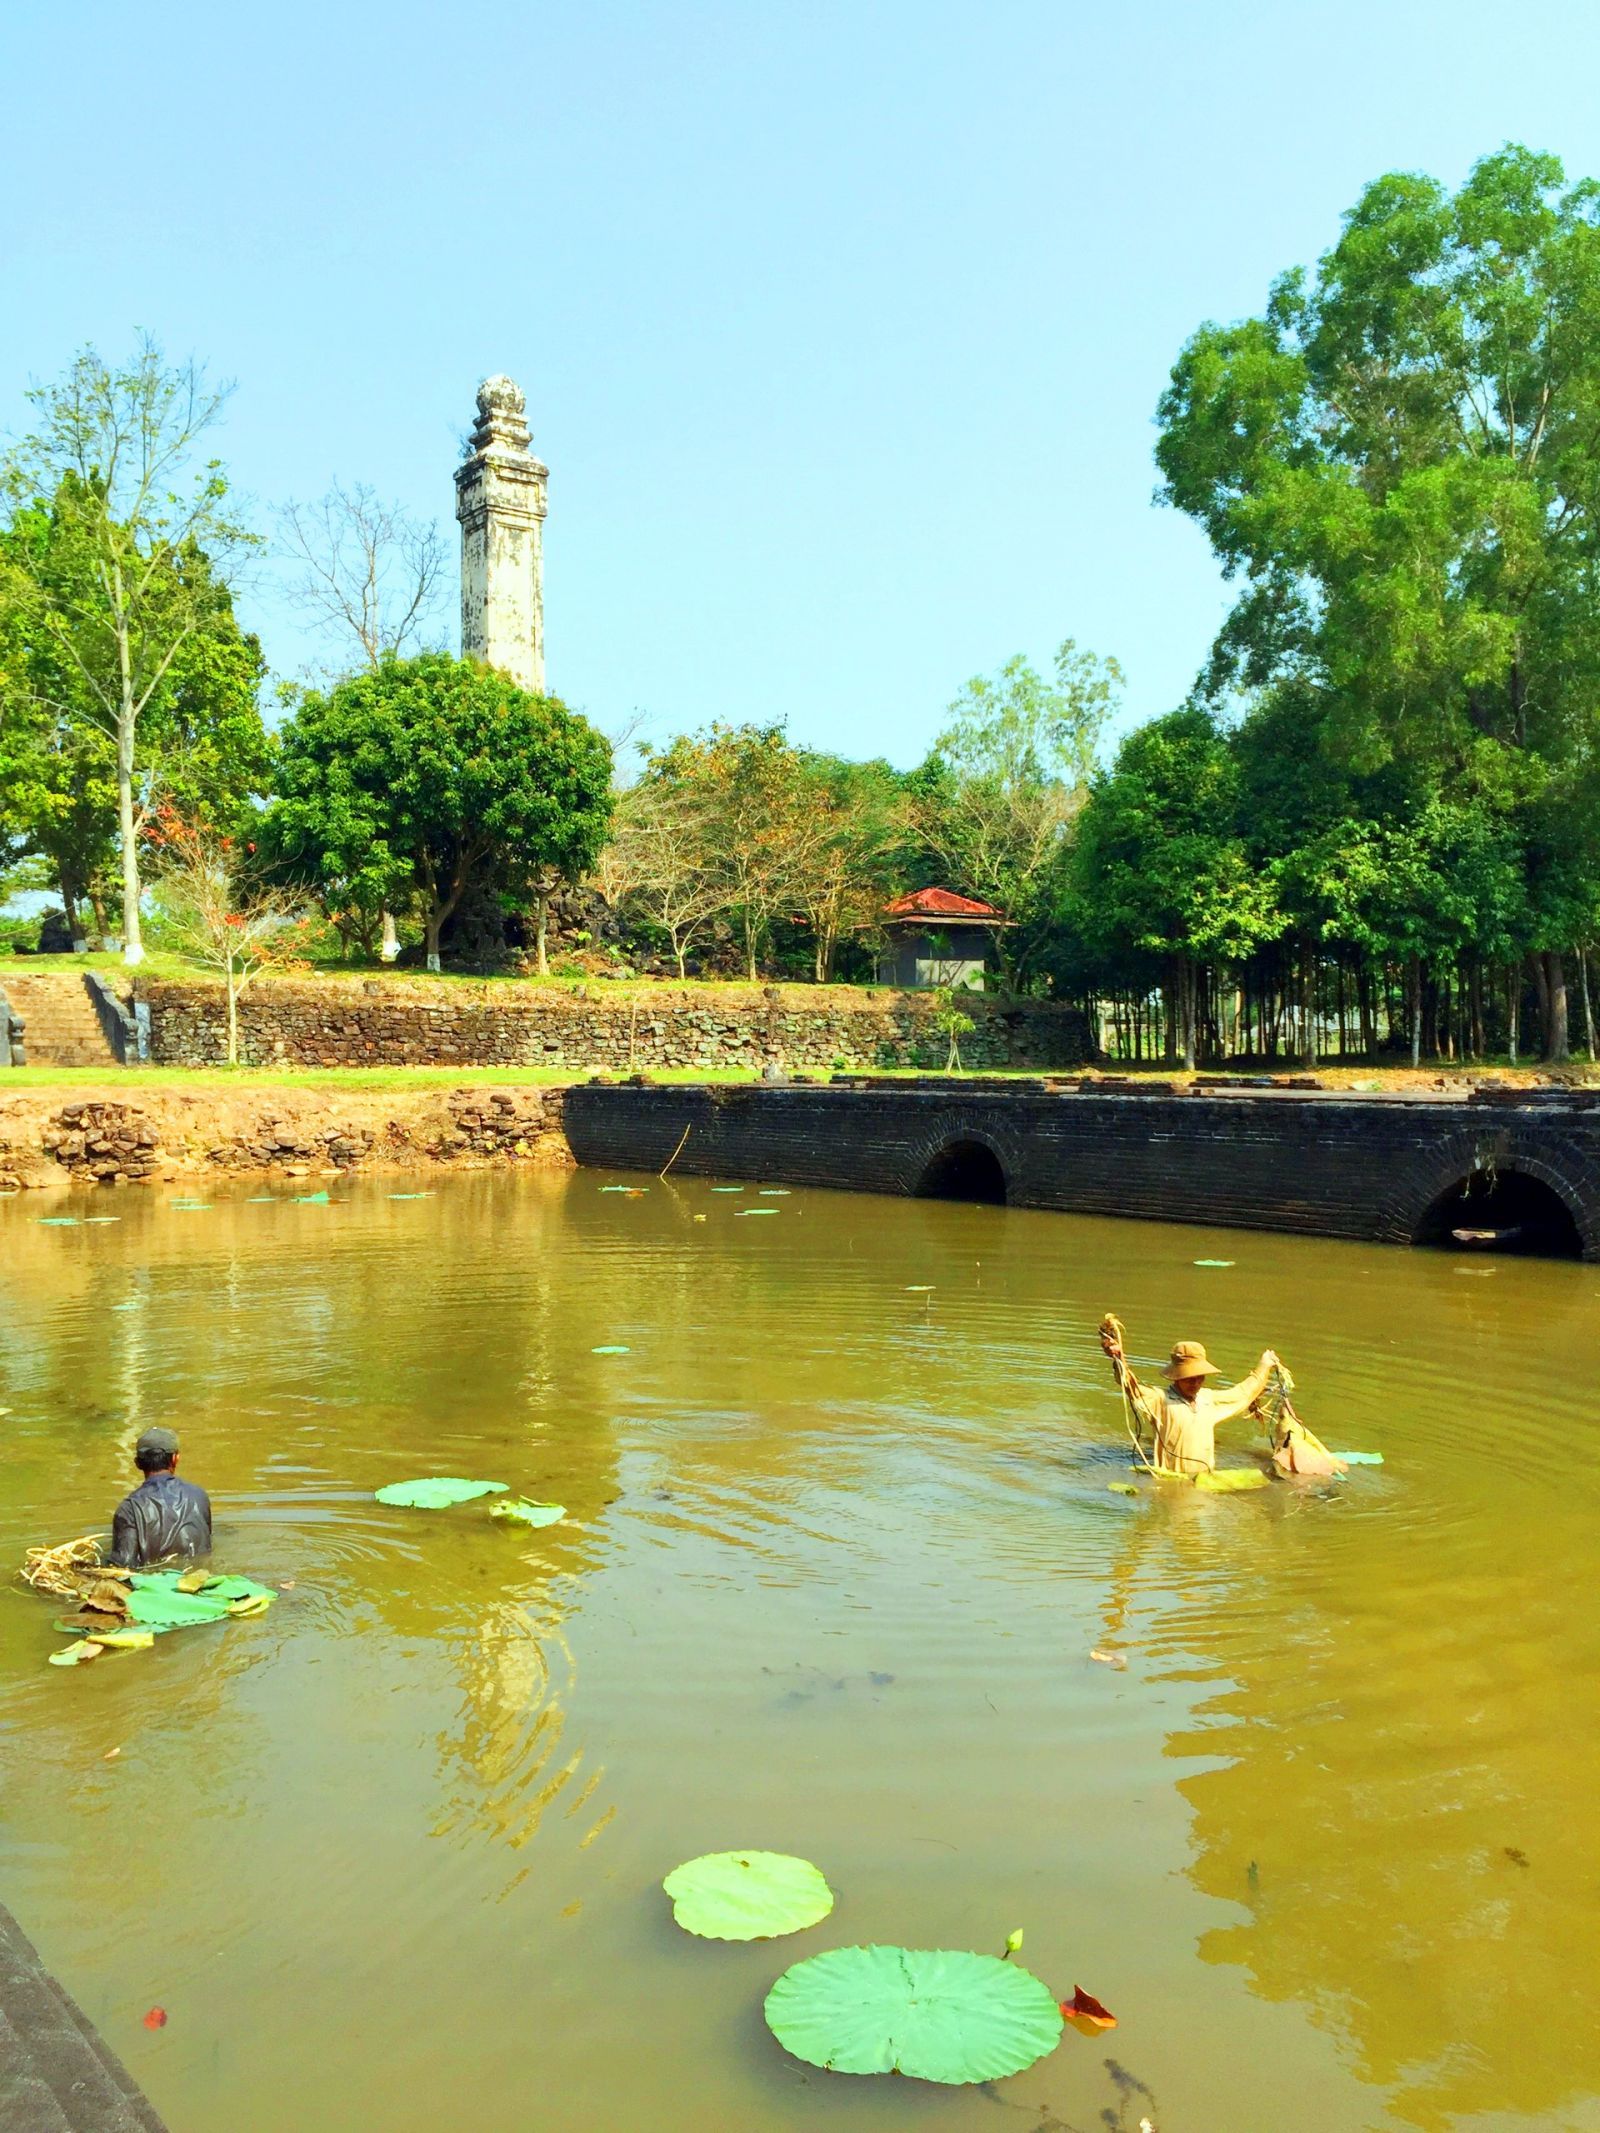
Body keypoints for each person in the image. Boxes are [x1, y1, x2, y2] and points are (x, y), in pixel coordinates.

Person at [1099, 1320, 1278, 1478]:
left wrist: (1264, 1365)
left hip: (1205, 1481)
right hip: (1171, 1481)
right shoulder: (1160, 1400)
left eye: (1200, 1377)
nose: (1196, 1382)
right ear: (1176, 1376)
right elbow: (1132, 1388)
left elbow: (1242, 1393)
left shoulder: (1208, 1399)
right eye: (1189, 1378)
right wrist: (1119, 1358)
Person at [108, 1426, 213, 1568]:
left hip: (155, 1583)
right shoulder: (199, 1496)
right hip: (199, 1580)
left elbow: (122, 1567)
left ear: (137, 1463)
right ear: (176, 1459)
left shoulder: (129, 1509)